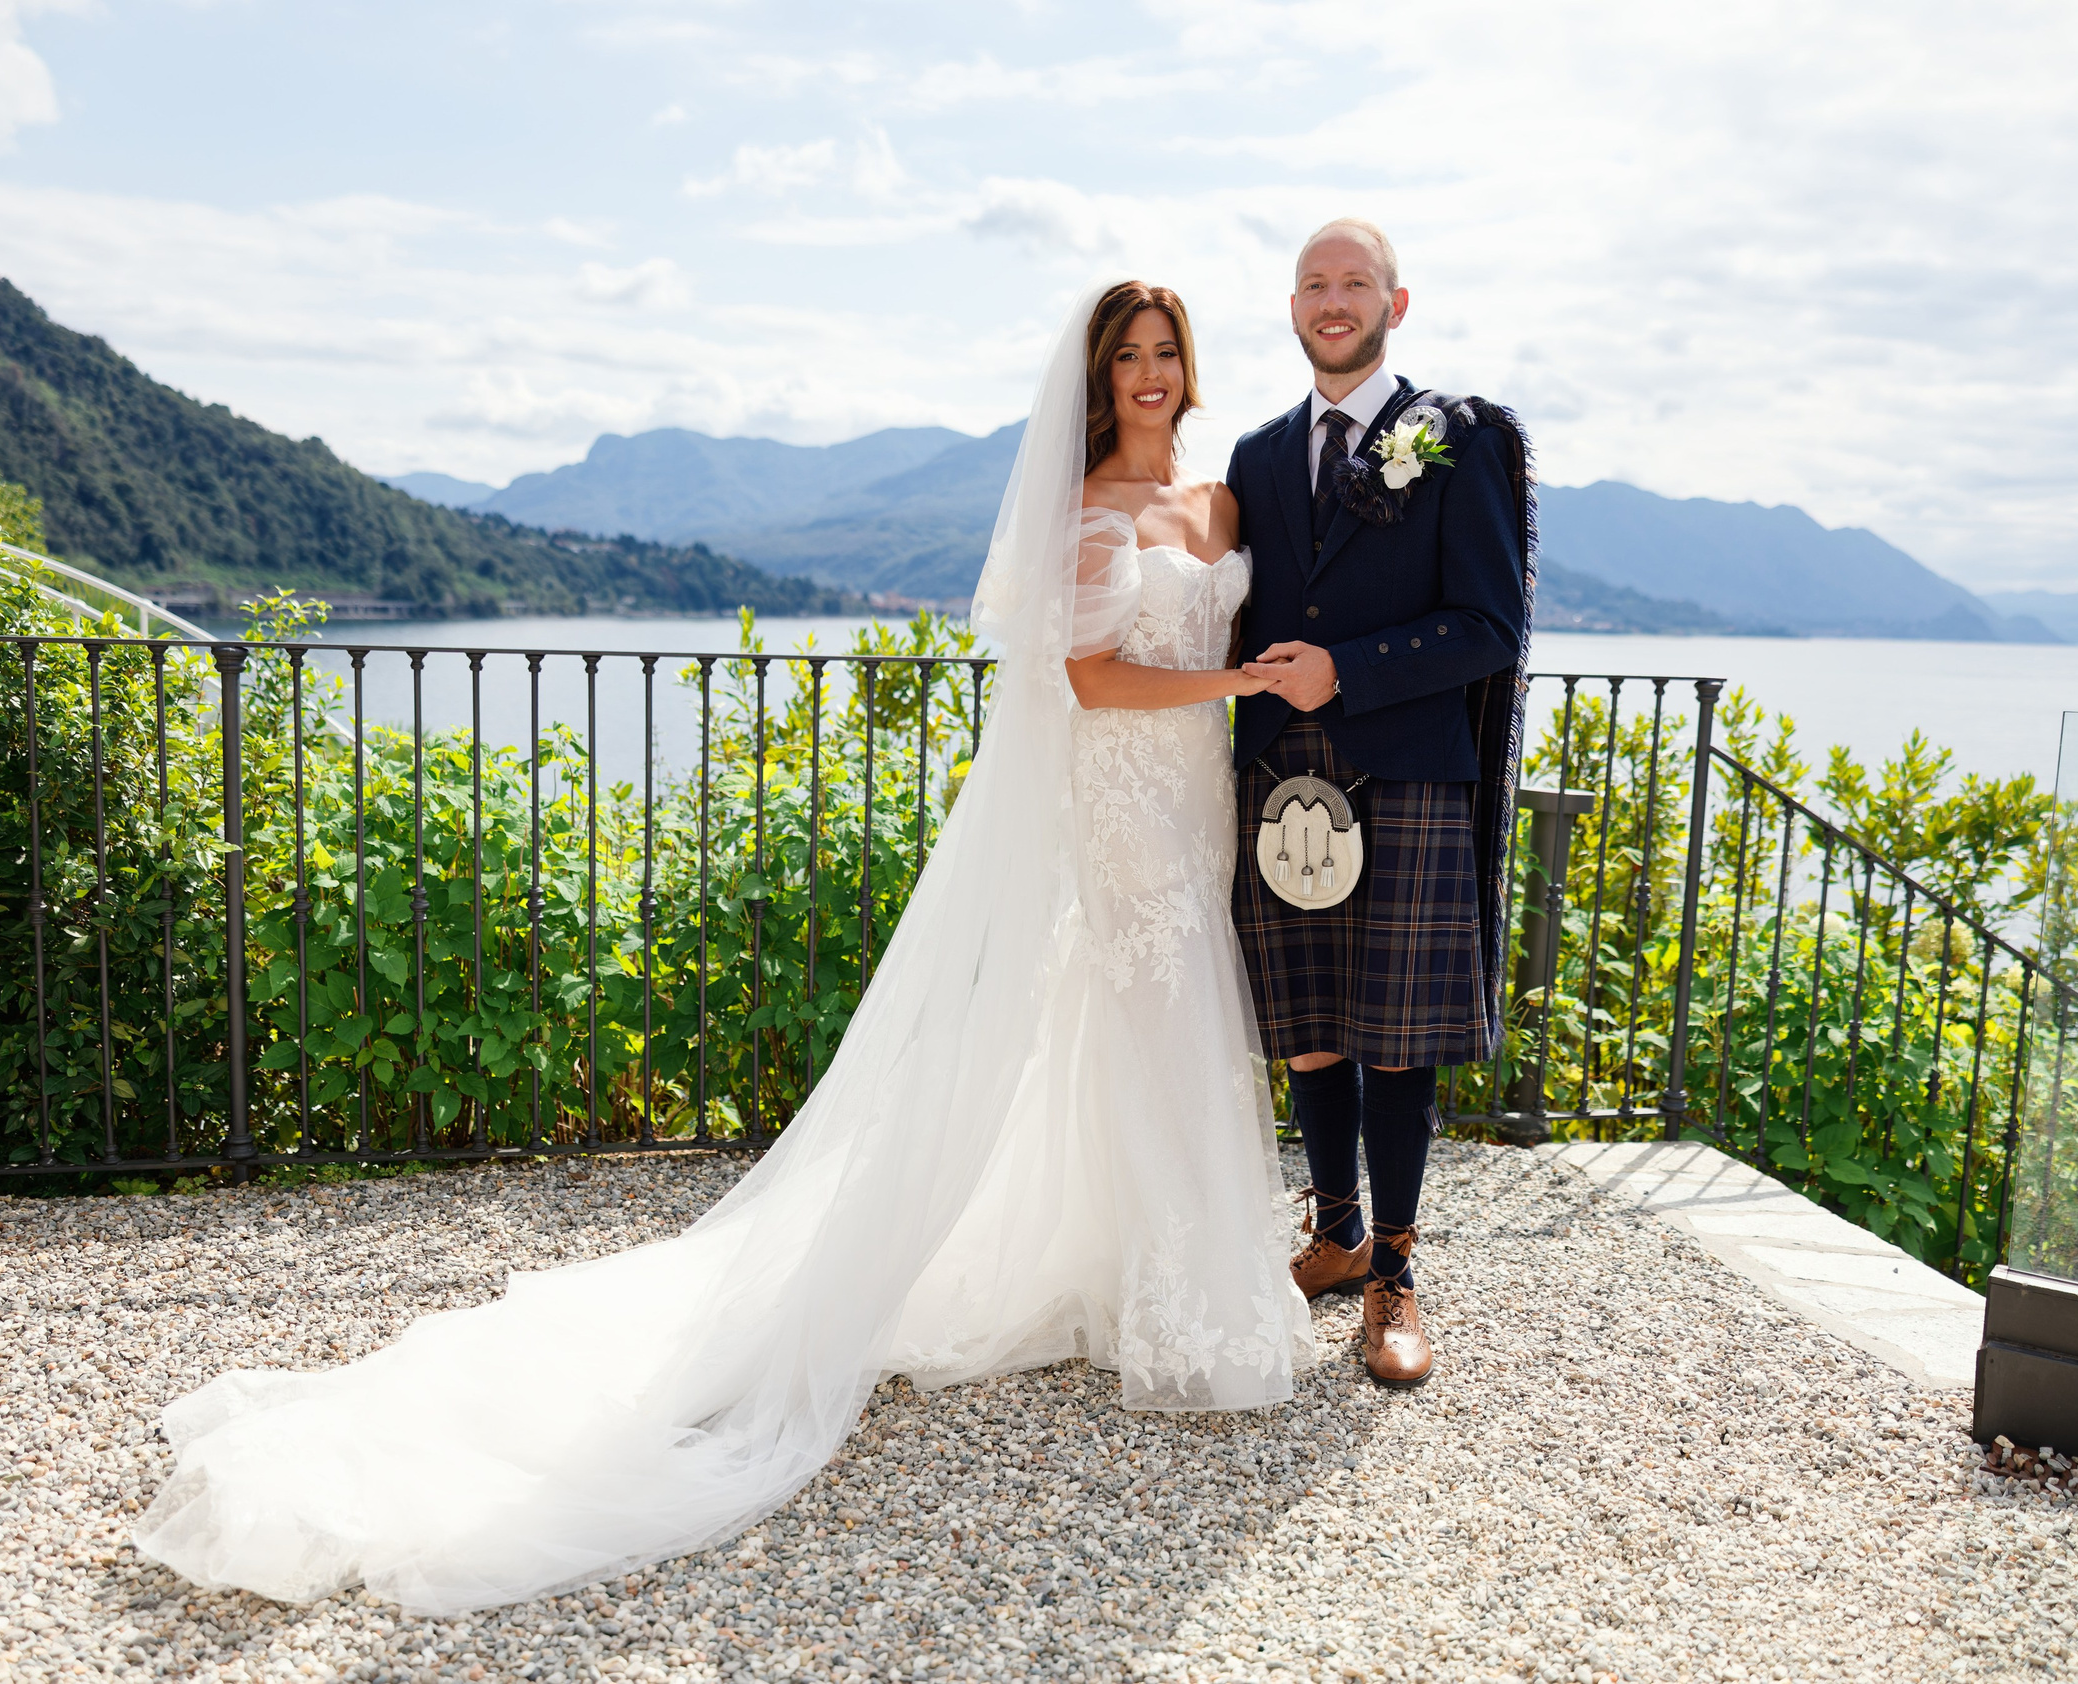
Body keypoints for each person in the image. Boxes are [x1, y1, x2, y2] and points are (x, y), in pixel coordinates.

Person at [132, 280, 1313, 1617]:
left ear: (1188, 366)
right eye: (1128, 357)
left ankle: (1139, 1269)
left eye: (1166, 353)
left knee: (1160, 1031)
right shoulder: (1087, 510)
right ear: (1096, 380)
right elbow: (1088, 679)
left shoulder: (1221, 503)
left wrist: (1269, 685)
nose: (1150, 374)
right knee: (1156, 1016)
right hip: (1120, 811)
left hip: (1198, 804)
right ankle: (1189, 1306)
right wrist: (1244, 681)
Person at [1230, 219, 1537, 1389]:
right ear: (1293, 304)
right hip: (1279, 781)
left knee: (1399, 1043)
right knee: (1309, 1027)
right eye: (1314, 282)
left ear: (1394, 305)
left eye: (1354, 282)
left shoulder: (1451, 441)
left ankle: (1397, 1271)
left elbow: (1488, 626)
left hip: (1403, 774)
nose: (1333, 299)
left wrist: (1347, 669)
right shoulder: (1259, 456)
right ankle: (1338, 1231)